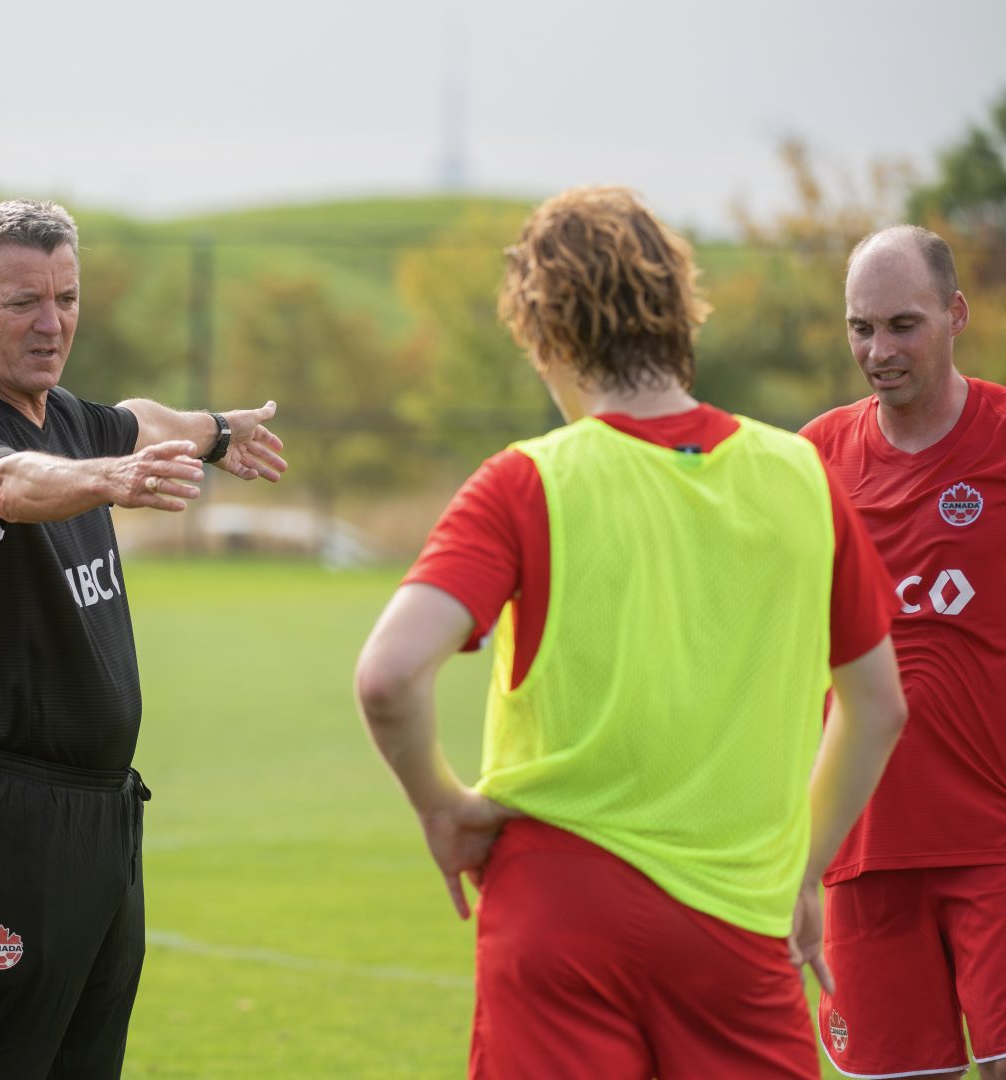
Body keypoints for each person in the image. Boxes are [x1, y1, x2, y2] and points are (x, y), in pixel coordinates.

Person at [352, 186, 908, 1078]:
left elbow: (387, 676)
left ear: (545, 332)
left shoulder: (526, 480)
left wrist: (442, 807)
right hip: (739, 922)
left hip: (555, 908)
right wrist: (802, 870)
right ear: (680, 309)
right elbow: (877, 705)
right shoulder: (803, 475)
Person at [0, 198, 289, 1078]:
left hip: (104, 816)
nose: (52, 323)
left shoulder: (65, 415)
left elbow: (142, 418)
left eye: (66, 299)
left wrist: (218, 433)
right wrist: (108, 480)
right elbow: (8, 483)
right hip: (6, 820)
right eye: (23, 302)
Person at [801, 225, 1006, 1080]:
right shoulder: (811, 460)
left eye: (903, 324)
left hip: (995, 844)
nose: (878, 351)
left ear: (955, 315)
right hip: (860, 853)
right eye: (861, 328)